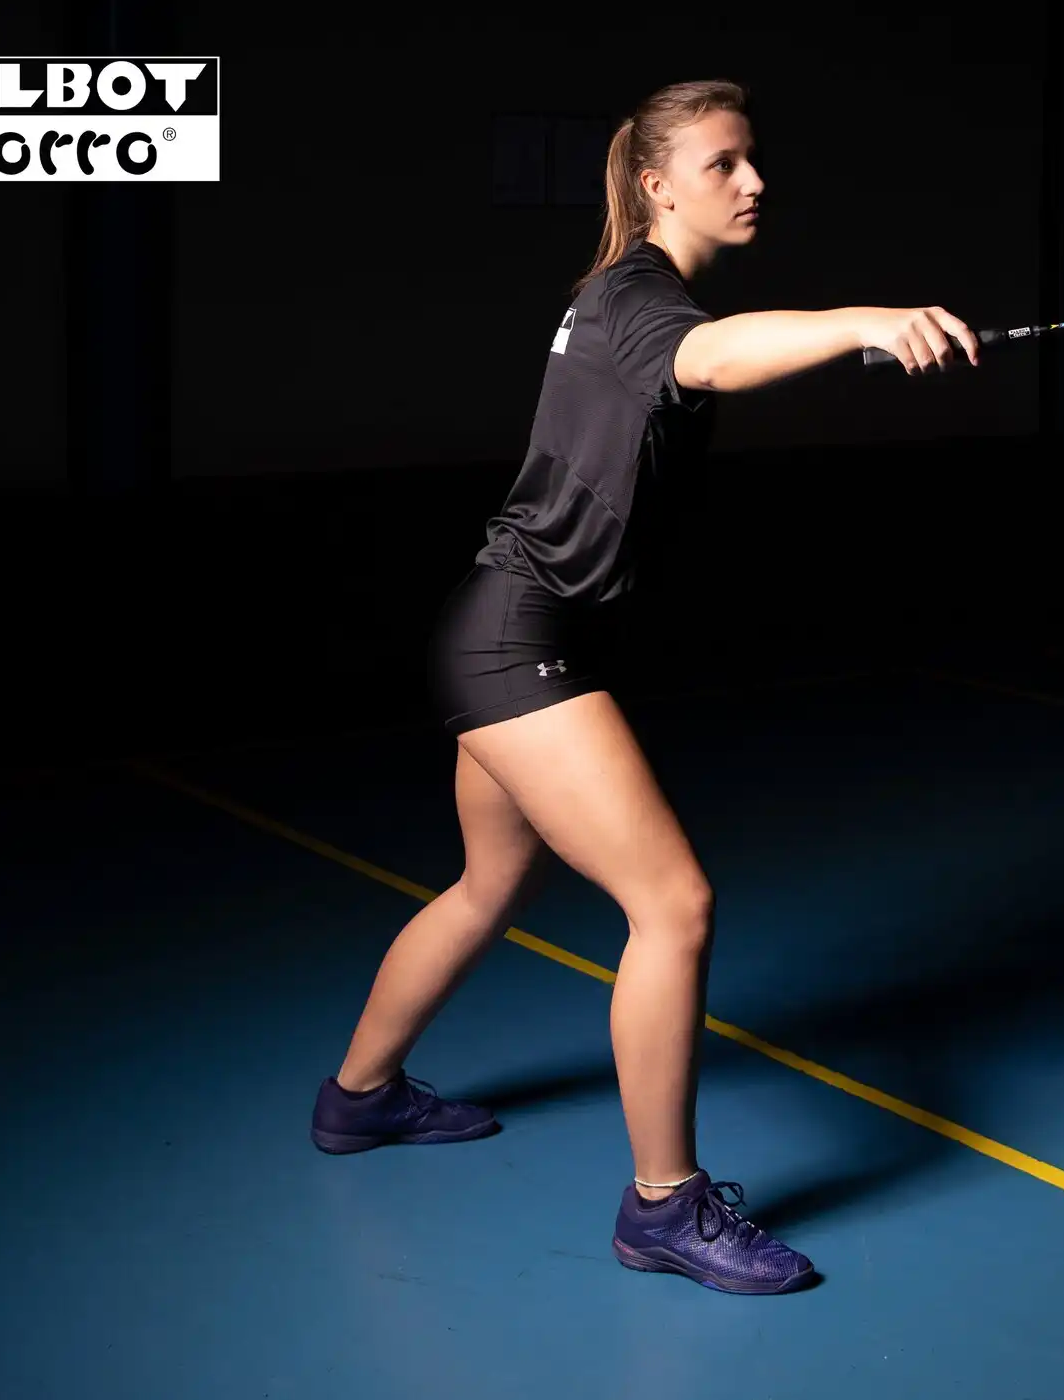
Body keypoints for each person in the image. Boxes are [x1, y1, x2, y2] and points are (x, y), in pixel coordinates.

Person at [307, 78, 980, 1295]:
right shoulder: (639, 300)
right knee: (673, 903)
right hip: (520, 640)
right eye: (726, 163)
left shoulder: (617, 294)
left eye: (755, 159)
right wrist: (864, 319)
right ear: (659, 184)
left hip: (501, 622)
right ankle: (665, 1205)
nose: (755, 181)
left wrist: (849, 335)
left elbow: (703, 365)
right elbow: (710, 357)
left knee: (490, 882)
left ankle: (361, 1096)